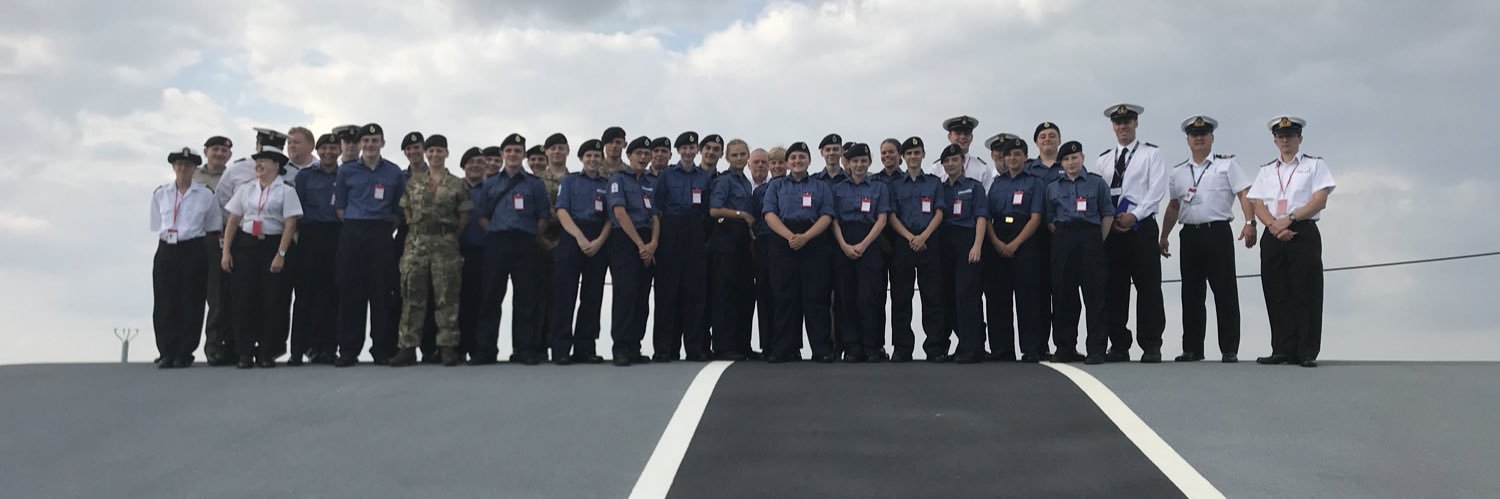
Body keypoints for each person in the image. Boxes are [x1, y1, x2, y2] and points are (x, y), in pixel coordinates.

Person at [1158, 115, 1255, 363]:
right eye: (1194, 135)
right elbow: (1173, 206)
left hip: (1217, 232)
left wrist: (1249, 222)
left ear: (1212, 137)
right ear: (1188, 140)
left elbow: (1244, 194)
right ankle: (1192, 348)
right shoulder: (1178, 172)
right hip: (1190, 234)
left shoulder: (1227, 165)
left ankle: (1229, 348)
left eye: (1203, 134)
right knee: (1191, 293)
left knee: (1225, 291)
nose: (1199, 138)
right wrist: (1164, 235)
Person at [1249, 116, 1334, 368]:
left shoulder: (1314, 165)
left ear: (1300, 138)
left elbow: (1320, 200)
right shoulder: (1266, 170)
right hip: (1273, 231)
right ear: (1275, 141)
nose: (1285, 140)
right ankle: (1281, 348)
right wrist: (1273, 226)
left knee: (1305, 291)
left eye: (1290, 136)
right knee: (1276, 291)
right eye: (1280, 136)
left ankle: (1306, 351)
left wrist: (1289, 220)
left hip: (1302, 230)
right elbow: (1257, 203)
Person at [1092, 103, 1168, 363]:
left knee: (1149, 287)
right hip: (1112, 230)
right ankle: (1119, 344)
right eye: (1118, 122)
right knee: (1114, 288)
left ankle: (1151, 344)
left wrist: (1135, 214)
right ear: (1113, 126)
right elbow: (1098, 193)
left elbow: (1156, 190)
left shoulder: (1151, 154)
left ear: (1136, 123)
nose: (1123, 126)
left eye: (1127, 122)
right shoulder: (1103, 160)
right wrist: (1109, 220)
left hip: (1141, 227)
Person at [390, 134, 470, 367]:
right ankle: (407, 347)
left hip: (445, 244)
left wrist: (448, 234)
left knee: (447, 296)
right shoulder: (414, 183)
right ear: (426, 153)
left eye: (439, 151)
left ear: (446, 153)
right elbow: (406, 211)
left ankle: (447, 347)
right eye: (431, 151)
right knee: (412, 295)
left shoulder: (456, 184)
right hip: (416, 244)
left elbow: (464, 216)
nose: (435, 155)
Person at [473, 133, 551, 365]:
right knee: (490, 295)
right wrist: (494, 231)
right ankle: (486, 349)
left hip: (525, 243)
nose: (513, 154)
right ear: (502, 154)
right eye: (509, 151)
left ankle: (524, 349)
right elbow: (482, 215)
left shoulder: (534, 184)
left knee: (526, 297)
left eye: (517, 151)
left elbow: (543, 216)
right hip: (497, 242)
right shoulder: (490, 183)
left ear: (524, 154)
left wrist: (532, 234)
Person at [222, 145, 303, 368]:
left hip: (273, 245)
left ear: (276, 165)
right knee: (244, 300)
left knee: (273, 300)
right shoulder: (246, 189)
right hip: (246, 246)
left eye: (264, 161)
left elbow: (290, 225)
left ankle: (267, 351)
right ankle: (244, 352)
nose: (258, 164)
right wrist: (226, 251)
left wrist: (281, 254)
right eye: (257, 161)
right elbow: (233, 221)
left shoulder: (286, 190)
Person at [332, 123, 406, 367]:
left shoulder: (394, 173)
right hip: (353, 233)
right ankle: (348, 350)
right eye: (366, 141)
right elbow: (340, 207)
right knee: (351, 293)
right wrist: (358, 226)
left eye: (375, 141)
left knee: (382, 293)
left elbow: (397, 210)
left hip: (381, 234)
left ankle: (382, 349)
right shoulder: (346, 171)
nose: (370, 145)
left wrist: (382, 230)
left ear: (382, 143)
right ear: (359, 144)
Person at [762, 141, 837, 363]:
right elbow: (769, 214)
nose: (797, 161)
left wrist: (806, 237)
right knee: (785, 296)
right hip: (783, 241)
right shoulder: (776, 186)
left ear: (809, 161)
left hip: (813, 240)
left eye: (802, 157)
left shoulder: (820, 186)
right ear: (787, 162)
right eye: (793, 158)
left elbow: (827, 215)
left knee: (816, 297)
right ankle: (784, 349)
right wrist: (790, 237)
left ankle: (821, 349)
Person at [151, 147, 224, 369]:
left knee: (191, 300)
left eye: (188, 165)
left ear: (194, 169)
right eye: (179, 165)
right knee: (165, 301)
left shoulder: (206, 195)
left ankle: (184, 351)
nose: (183, 169)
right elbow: (156, 223)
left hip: (193, 247)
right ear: (174, 167)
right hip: (167, 248)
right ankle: (166, 351)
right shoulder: (161, 193)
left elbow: (212, 225)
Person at [1046, 141, 1114, 364]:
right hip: (1064, 237)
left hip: (1090, 237)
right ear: (1061, 163)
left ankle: (1096, 349)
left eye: (1074, 158)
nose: (1071, 162)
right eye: (1066, 159)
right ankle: (1065, 347)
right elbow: (1050, 220)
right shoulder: (1053, 188)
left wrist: (1097, 241)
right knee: (1063, 296)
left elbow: (1107, 214)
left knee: (1095, 295)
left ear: (1082, 158)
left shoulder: (1097, 183)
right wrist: (1064, 238)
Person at [983, 134, 1047, 362]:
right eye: (1008, 155)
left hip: (1025, 240)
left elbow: (1036, 217)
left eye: (1017, 154)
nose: (1012, 158)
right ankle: (1002, 348)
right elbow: (987, 217)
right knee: (998, 297)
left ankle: (1031, 348)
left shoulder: (1034, 183)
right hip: (998, 238)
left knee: (1027, 297)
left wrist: (1015, 243)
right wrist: (997, 242)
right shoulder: (997, 184)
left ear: (1025, 157)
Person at [549, 139, 612, 365]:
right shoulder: (570, 180)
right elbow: (561, 210)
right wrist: (579, 237)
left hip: (598, 238)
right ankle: (561, 349)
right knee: (565, 295)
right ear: (581, 158)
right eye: (589, 156)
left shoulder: (607, 184)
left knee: (592, 296)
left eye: (597, 156)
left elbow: (611, 216)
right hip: (572, 235)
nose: (593, 160)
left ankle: (585, 347)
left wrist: (599, 241)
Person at [830, 143, 892, 362]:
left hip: (870, 242)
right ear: (848, 163)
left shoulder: (879, 187)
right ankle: (852, 347)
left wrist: (864, 245)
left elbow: (882, 219)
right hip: (844, 241)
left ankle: (871, 346)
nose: (859, 165)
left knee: (869, 297)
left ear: (869, 162)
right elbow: (833, 220)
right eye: (855, 161)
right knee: (846, 297)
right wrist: (844, 245)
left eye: (863, 161)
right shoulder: (838, 189)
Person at [652, 131, 711, 362]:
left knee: (694, 294)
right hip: (671, 232)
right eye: (684, 148)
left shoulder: (703, 177)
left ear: (696, 151)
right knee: (667, 294)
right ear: (678, 151)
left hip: (695, 233)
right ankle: (665, 349)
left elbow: (706, 209)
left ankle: (694, 348)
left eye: (692, 148)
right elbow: (657, 208)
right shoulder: (666, 175)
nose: (688, 152)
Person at [886, 137, 946, 362]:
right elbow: (891, 216)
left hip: (928, 242)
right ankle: (902, 347)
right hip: (904, 242)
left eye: (917, 153)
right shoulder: (894, 185)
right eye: (909, 153)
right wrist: (911, 237)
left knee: (933, 297)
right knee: (901, 297)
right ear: (903, 157)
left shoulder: (934, 183)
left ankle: (935, 347)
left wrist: (923, 237)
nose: (913, 157)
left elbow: (939, 212)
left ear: (923, 154)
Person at [289, 132, 343, 365]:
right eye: (324, 148)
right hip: (310, 236)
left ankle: (329, 348)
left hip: (337, 235)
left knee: (332, 294)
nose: (328, 152)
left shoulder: (345, 175)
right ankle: (298, 350)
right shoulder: (305, 176)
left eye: (333, 148)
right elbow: (296, 210)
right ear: (317, 151)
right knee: (304, 295)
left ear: (340, 151)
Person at [608, 136, 661, 366]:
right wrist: (641, 245)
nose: (643, 157)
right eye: (638, 153)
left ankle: (635, 347)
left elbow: (655, 216)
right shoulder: (618, 179)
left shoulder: (650, 182)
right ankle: (620, 347)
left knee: (642, 297)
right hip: (626, 240)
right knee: (625, 295)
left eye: (646, 154)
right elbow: (620, 213)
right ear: (629, 156)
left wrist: (653, 243)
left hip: (648, 241)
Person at [935, 143, 989, 363]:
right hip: (945, 242)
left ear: (962, 162)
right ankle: (961, 344)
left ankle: (973, 347)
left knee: (967, 294)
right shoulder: (939, 188)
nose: (950, 164)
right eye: (946, 161)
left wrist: (977, 245)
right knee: (949, 295)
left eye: (954, 160)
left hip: (967, 241)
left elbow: (981, 217)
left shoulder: (974, 187)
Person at [393, 131, 440, 362]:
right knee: (405, 291)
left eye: (417, 148)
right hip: (406, 235)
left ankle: (429, 347)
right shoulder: (399, 178)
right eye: (409, 149)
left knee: (432, 292)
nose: (413, 152)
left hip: (434, 237)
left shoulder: (438, 176)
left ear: (424, 151)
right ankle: (404, 346)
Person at [707, 138, 756, 360]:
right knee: (725, 293)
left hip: (742, 240)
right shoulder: (724, 180)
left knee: (744, 293)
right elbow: (714, 210)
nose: (739, 158)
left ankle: (742, 344)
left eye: (742, 154)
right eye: (734, 155)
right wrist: (740, 214)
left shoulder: (746, 182)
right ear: (727, 157)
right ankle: (724, 345)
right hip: (725, 237)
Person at [198, 135, 236, 366]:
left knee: (218, 298)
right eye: (215, 149)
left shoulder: (233, 177)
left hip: (221, 239)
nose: (219, 154)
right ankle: (179, 348)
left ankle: (214, 346)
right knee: (190, 296)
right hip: (195, 239)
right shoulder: (194, 175)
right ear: (206, 152)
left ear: (229, 155)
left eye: (224, 150)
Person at [751, 146, 788, 358]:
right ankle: (767, 344)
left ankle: (788, 345)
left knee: (785, 294)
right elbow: (756, 219)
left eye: (781, 162)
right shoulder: (759, 192)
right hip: (765, 243)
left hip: (787, 242)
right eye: (772, 163)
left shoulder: (792, 187)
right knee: (765, 294)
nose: (777, 166)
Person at [457, 147, 489, 360]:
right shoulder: (454, 187)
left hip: (485, 250)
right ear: (464, 166)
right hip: (458, 250)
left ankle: (480, 347)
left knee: (482, 299)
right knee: (458, 299)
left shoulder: (491, 188)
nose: (475, 165)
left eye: (479, 162)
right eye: (471, 162)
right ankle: (459, 347)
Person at [930, 115, 994, 190]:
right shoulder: (937, 169)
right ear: (949, 136)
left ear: (971, 137)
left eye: (966, 133)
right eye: (958, 133)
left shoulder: (982, 169)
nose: (963, 137)